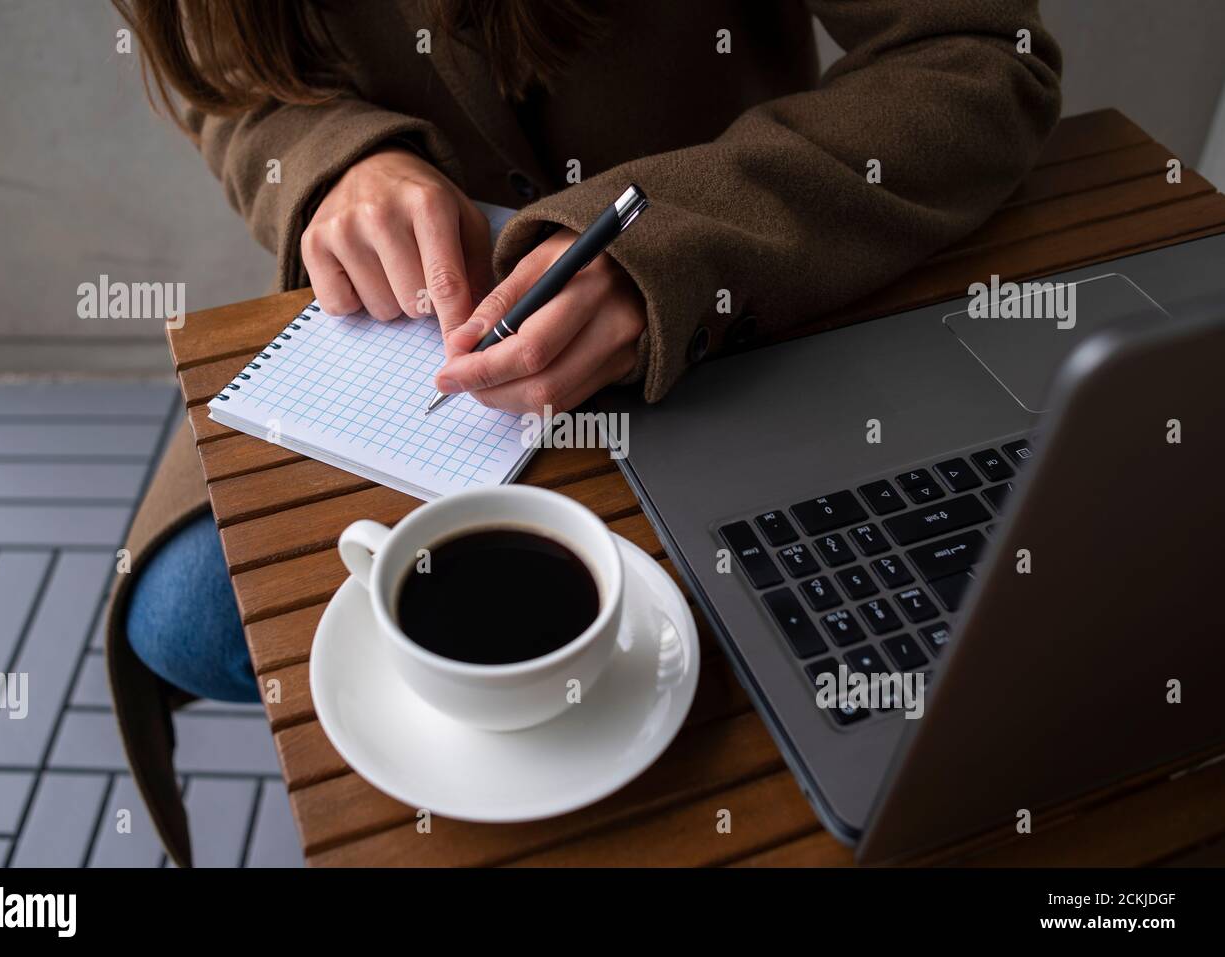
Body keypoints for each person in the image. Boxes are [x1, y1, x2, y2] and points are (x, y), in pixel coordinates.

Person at [105, 0, 1062, 863]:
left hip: (738, 295)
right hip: (391, 335)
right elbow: (223, 79)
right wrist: (336, 160)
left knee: (771, 636)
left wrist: (676, 244)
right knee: (178, 617)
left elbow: (979, 56)